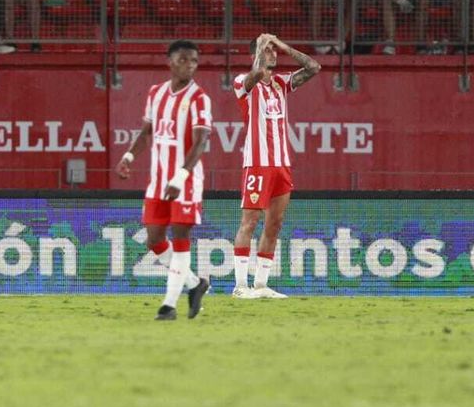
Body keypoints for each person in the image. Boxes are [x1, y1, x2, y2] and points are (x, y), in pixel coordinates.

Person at [116, 39, 213, 320]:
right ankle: (195, 284)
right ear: (169, 62)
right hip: (158, 180)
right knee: (154, 239)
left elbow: (201, 141)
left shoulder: (199, 98)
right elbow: (147, 132)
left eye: (194, 60)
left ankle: (168, 306)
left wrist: (181, 176)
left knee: (180, 236)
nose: (190, 65)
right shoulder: (155, 93)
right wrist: (129, 157)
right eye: (184, 59)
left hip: (185, 180)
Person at [231, 33, 321, 299]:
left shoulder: (281, 83)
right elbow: (256, 73)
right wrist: (260, 45)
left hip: (282, 164)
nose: (272, 53)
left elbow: (314, 68)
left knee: (275, 223)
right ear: (255, 53)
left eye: (273, 50)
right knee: (249, 223)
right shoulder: (242, 83)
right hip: (257, 164)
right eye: (267, 50)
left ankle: (260, 284)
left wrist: (284, 46)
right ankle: (239, 286)